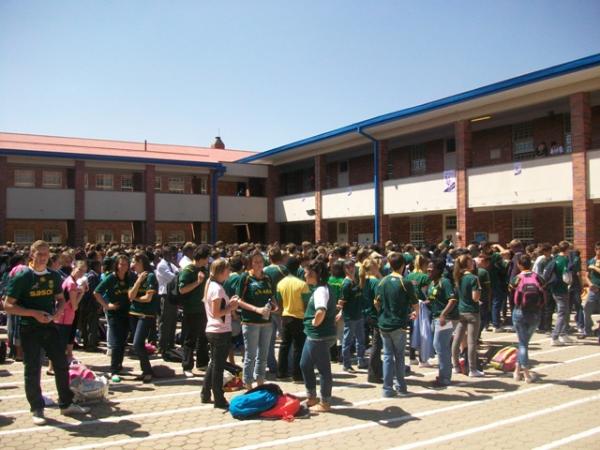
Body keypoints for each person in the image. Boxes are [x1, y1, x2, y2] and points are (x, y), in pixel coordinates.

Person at [4, 240, 90, 425]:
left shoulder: (53, 276)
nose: (43, 257)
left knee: (61, 363)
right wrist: (33, 313)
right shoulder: (23, 276)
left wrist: (58, 312)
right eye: (39, 253)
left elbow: (60, 299)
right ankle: (37, 408)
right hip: (29, 327)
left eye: (46, 254)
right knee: (32, 368)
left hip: (50, 326)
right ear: (32, 254)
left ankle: (66, 403)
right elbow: (8, 305)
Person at [375, 252, 419, 398]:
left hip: (384, 323)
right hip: (398, 324)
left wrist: (383, 312)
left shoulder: (383, 281)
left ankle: (387, 388)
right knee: (399, 356)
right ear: (403, 266)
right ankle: (400, 387)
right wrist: (415, 313)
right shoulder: (405, 282)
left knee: (387, 356)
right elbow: (415, 303)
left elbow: (377, 302)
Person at [201, 258, 239, 409]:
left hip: (214, 329)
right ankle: (218, 397)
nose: (229, 272)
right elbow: (217, 312)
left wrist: (229, 304)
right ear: (222, 271)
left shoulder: (211, 284)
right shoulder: (217, 288)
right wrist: (231, 307)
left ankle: (205, 393)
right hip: (219, 330)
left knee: (214, 363)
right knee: (218, 366)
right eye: (227, 270)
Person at [300, 258, 337, 412]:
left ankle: (325, 403)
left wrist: (315, 322)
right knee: (305, 364)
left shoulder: (321, 290)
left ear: (314, 274)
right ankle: (312, 397)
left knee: (323, 370)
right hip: (315, 335)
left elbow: (321, 310)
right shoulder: (321, 288)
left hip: (319, 335)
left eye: (306, 272)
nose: (304, 275)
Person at [237, 249, 277, 390]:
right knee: (251, 355)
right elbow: (238, 301)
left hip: (266, 321)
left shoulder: (267, 278)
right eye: (256, 262)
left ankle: (260, 381)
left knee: (263, 354)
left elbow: (272, 297)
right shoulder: (246, 278)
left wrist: (275, 306)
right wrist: (256, 309)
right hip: (250, 321)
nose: (259, 264)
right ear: (250, 263)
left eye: (261, 261)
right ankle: (248, 383)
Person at [94, 254, 132, 382]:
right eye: (121, 264)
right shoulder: (111, 278)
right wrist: (106, 305)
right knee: (116, 342)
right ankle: (113, 370)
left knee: (122, 341)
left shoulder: (129, 277)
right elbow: (96, 292)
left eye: (126, 264)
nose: (123, 267)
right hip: (114, 313)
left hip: (127, 313)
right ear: (116, 265)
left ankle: (119, 365)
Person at [510, 254, 545, 383]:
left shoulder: (517, 278)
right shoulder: (538, 277)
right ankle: (517, 370)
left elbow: (511, 291)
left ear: (519, 265)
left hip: (520, 311)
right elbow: (544, 290)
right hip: (535, 313)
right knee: (524, 343)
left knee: (523, 344)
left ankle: (525, 374)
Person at [49, 260, 88, 375]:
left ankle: (53, 367)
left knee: (58, 344)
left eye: (83, 271)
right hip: (64, 318)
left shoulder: (69, 281)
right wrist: (81, 293)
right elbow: (74, 305)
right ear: (74, 268)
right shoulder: (71, 283)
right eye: (79, 270)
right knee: (59, 345)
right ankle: (53, 368)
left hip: (63, 317)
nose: (81, 273)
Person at [276, 256, 309, 382]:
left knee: (284, 345)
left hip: (286, 316)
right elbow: (306, 304)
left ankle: (281, 373)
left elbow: (279, 302)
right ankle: (297, 375)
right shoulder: (302, 284)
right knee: (298, 347)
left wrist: (281, 314)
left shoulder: (280, 283)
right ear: (298, 268)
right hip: (299, 318)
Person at [178, 245, 210, 377]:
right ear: (201, 258)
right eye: (207, 257)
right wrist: (198, 282)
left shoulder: (204, 269)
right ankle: (187, 366)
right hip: (191, 309)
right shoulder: (188, 270)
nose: (208, 260)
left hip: (203, 309)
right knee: (190, 338)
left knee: (203, 337)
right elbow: (182, 289)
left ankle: (202, 363)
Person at [128, 252, 160, 383]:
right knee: (138, 344)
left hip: (146, 314)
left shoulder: (150, 276)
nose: (132, 265)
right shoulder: (134, 276)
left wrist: (135, 298)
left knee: (137, 343)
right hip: (133, 314)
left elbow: (148, 298)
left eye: (134, 262)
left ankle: (147, 370)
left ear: (140, 262)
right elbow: (130, 295)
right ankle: (146, 370)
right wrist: (138, 281)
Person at [451, 253, 484, 377]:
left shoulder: (458, 277)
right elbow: (475, 298)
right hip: (472, 312)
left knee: (457, 339)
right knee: (471, 342)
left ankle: (455, 366)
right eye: (471, 261)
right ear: (468, 263)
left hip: (461, 311)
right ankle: (472, 369)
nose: (473, 263)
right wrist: (479, 294)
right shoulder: (473, 278)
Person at [427, 257, 458, 387]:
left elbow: (452, 300)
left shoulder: (444, 282)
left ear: (438, 270)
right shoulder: (432, 283)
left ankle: (445, 377)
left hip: (445, 319)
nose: (428, 271)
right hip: (435, 318)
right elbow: (433, 299)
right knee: (439, 346)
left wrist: (443, 314)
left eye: (431, 269)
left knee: (440, 346)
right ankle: (443, 374)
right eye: (428, 269)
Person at [263, 247, 289, 376]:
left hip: (268, 306)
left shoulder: (264, 270)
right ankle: (287, 364)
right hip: (283, 307)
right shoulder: (284, 270)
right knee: (286, 338)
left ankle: (271, 364)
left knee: (269, 339)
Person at [339, 259, 367, 372]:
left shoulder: (355, 281)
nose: (351, 269)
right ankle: (346, 364)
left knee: (361, 339)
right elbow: (342, 301)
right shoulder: (346, 284)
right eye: (348, 267)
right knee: (347, 341)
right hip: (350, 316)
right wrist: (340, 312)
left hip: (358, 314)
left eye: (352, 266)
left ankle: (361, 360)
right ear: (345, 269)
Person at [359, 257, 383, 383]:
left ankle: (377, 368)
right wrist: (381, 313)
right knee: (377, 345)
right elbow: (377, 301)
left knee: (376, 344)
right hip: (375, 315)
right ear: (374, 267)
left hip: (366, 314)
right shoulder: (375, 282)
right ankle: (373, 373)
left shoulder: (363, 280)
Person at [155, 246, 179, 356]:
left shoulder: (171, 264)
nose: (172, 257)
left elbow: (179, 271)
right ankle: (162, 345)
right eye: (169, 254)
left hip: (172, 295)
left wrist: (177, 269)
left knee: (173, 321)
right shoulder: (162, 265)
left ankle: (170, 344)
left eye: (173, 255)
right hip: (165, 295)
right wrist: (177, 274)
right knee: (165, 322)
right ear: (164, 255)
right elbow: (173, 278)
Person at [549, 241, 574, 346]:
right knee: (562, 313)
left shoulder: (555, 258)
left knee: (565, 312)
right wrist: (570, 282)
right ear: (567, 249)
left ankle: (563, 334)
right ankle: (555, 336)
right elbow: (566, 275)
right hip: (561, 289)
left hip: (555, 288)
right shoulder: (564, 259)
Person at [582, 242, 600, 339]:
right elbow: (586, 276)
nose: (599, 251)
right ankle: (587, 330)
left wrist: (595, 267)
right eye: (597, 249)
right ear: (595, 250)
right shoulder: (591, 261)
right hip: (593, 290)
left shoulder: (593, 265)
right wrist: (590, 284)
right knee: (587, 308)